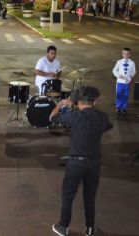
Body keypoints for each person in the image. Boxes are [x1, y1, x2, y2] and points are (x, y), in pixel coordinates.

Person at [50, 86, 113, 236]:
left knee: (68, 195)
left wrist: (60, 105)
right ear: (95, 102)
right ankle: (90, 228)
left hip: (76, 163)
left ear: (77, 102)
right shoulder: (102, 117)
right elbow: (107, 126)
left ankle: (63, 226)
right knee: (89, 196)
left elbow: (51, 118)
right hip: (94, 163)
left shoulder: (74, 116)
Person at [112, 47, 136, 115]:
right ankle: (118, 107)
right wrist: (118, 75)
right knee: (119, 94)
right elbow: (114, 70)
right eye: (124, 53)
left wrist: (130, 76)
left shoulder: (132, 63)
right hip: (120, 81)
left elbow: (133, 71)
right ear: (122, 54)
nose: (126, 55)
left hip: (127, 82)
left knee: (125, 95)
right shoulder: (119, 62)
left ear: (130, 54)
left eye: (127, 54)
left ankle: (124, 108)